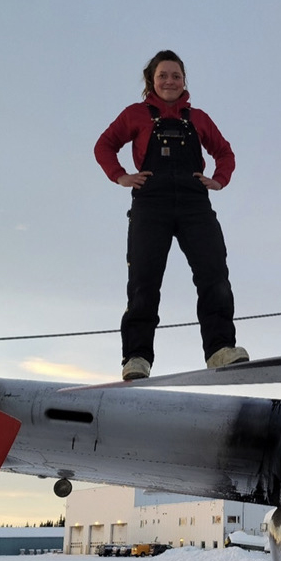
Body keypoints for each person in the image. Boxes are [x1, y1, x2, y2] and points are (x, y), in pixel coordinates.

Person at [95, 50, 248, 381]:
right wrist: (120, 175)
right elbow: (104, 145)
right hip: (151, 203)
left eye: (176, 75)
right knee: (143, 281)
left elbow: (224, 152)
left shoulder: (199, 119)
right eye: (163, 75)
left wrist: (219, 179)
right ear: (152, 79)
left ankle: (220, 350)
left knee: (214, 274)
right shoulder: (135, 114)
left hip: (195, 204)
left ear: (184, 81)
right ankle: (136, 357)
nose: (169, 81)